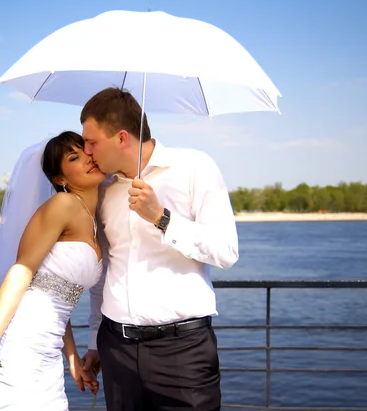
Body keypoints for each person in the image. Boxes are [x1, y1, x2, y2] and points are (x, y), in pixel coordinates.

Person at [80, 88, 239, 410]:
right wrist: (95, 340)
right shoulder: (105, 189)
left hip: (183, 352)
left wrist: (162, 218)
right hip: (116, 349)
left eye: (92, 142)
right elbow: (106, 270)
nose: (86, 151)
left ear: (122, 137)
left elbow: (226, 252)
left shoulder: (195, 167)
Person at [0, 131, 104, 410]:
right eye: (74, 157)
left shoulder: (93, 219)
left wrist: (73, 358)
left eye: (86, 150)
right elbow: (22, 272)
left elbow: (53, 290)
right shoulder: (62, 205)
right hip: (22, 345)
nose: (88, 158)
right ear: (60, 179)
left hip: (48, 353)